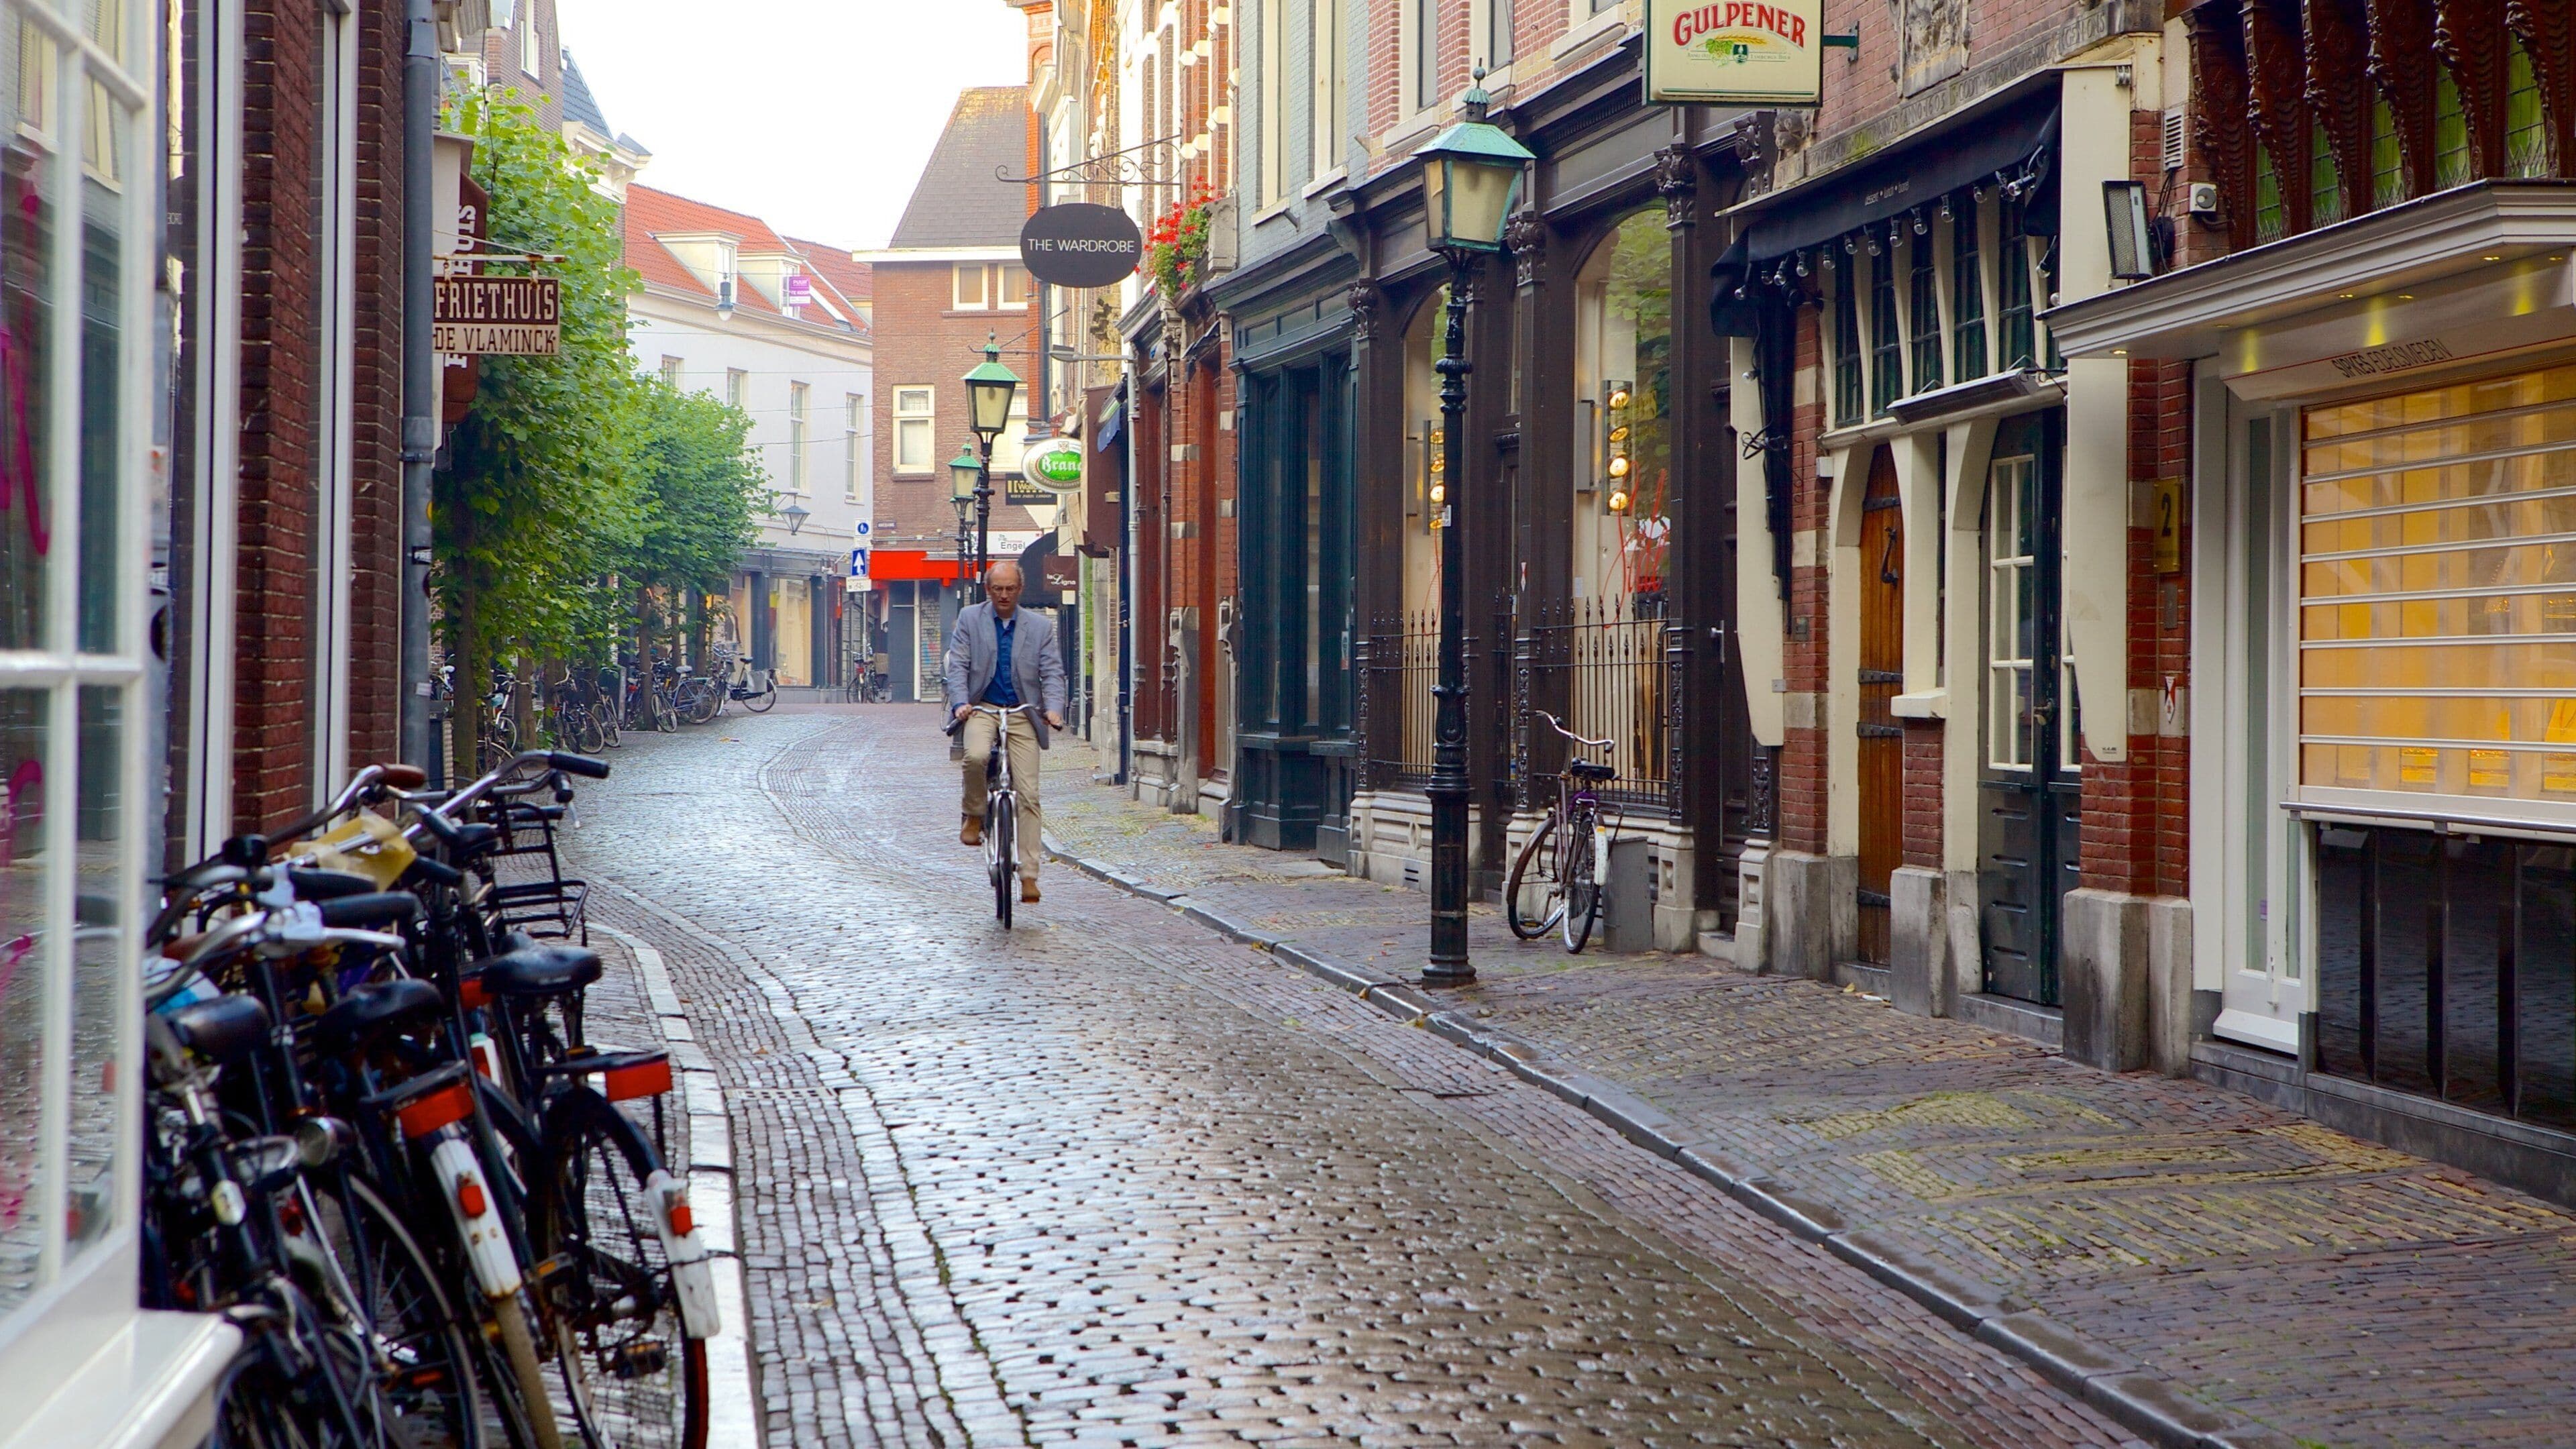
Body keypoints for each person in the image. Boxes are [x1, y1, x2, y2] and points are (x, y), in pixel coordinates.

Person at [943, 561, 1067, 902]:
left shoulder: (1040, 627)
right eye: (998, 588)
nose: (1004, 595)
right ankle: (974, 812)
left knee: (1029, 794)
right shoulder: (970, 619)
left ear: (1020, 589)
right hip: (984, 706)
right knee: (976, 756)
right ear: (988, 590)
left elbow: (1052, 672)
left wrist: (1053, 709)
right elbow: (959, 667)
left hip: (1024, 710)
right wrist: (960, 703)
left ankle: (1028, 875)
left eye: (1010, 588)